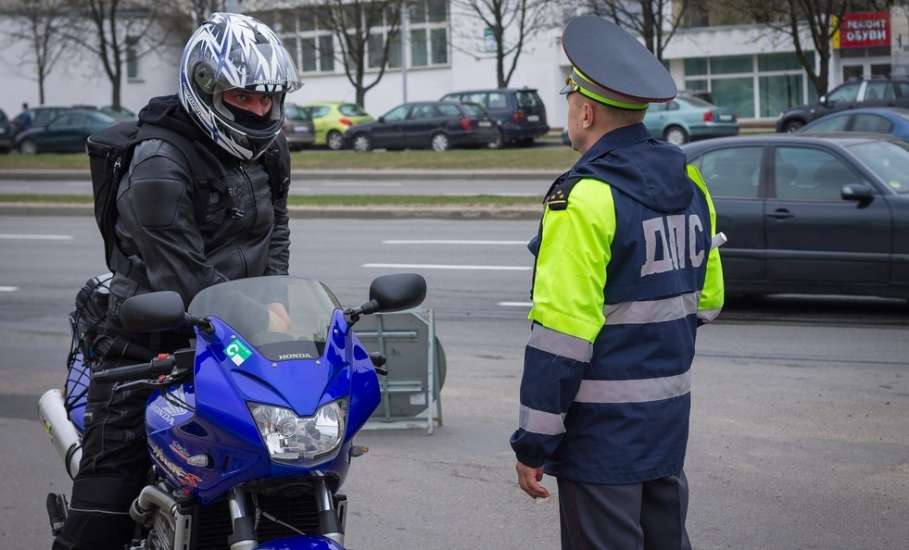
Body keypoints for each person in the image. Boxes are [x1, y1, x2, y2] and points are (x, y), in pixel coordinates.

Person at [53, 12, 300, 550]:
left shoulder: (269, 149)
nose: (260, 110)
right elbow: (182, 274)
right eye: (244, 98)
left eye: (268, 99)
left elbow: (276, 228)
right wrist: (256, 319)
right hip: (149, 335)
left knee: (291, 470)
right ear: (207, 90)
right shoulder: (158, 163)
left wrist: (277, 301)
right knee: (103, 511)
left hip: (237, 330)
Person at [510, 15, 724, 550]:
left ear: (585, 110)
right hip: (667, 424)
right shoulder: (689, 178)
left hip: (601, 441)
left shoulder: (582, 198)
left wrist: (533, 443)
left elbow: (561, 335)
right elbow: (711, 298)